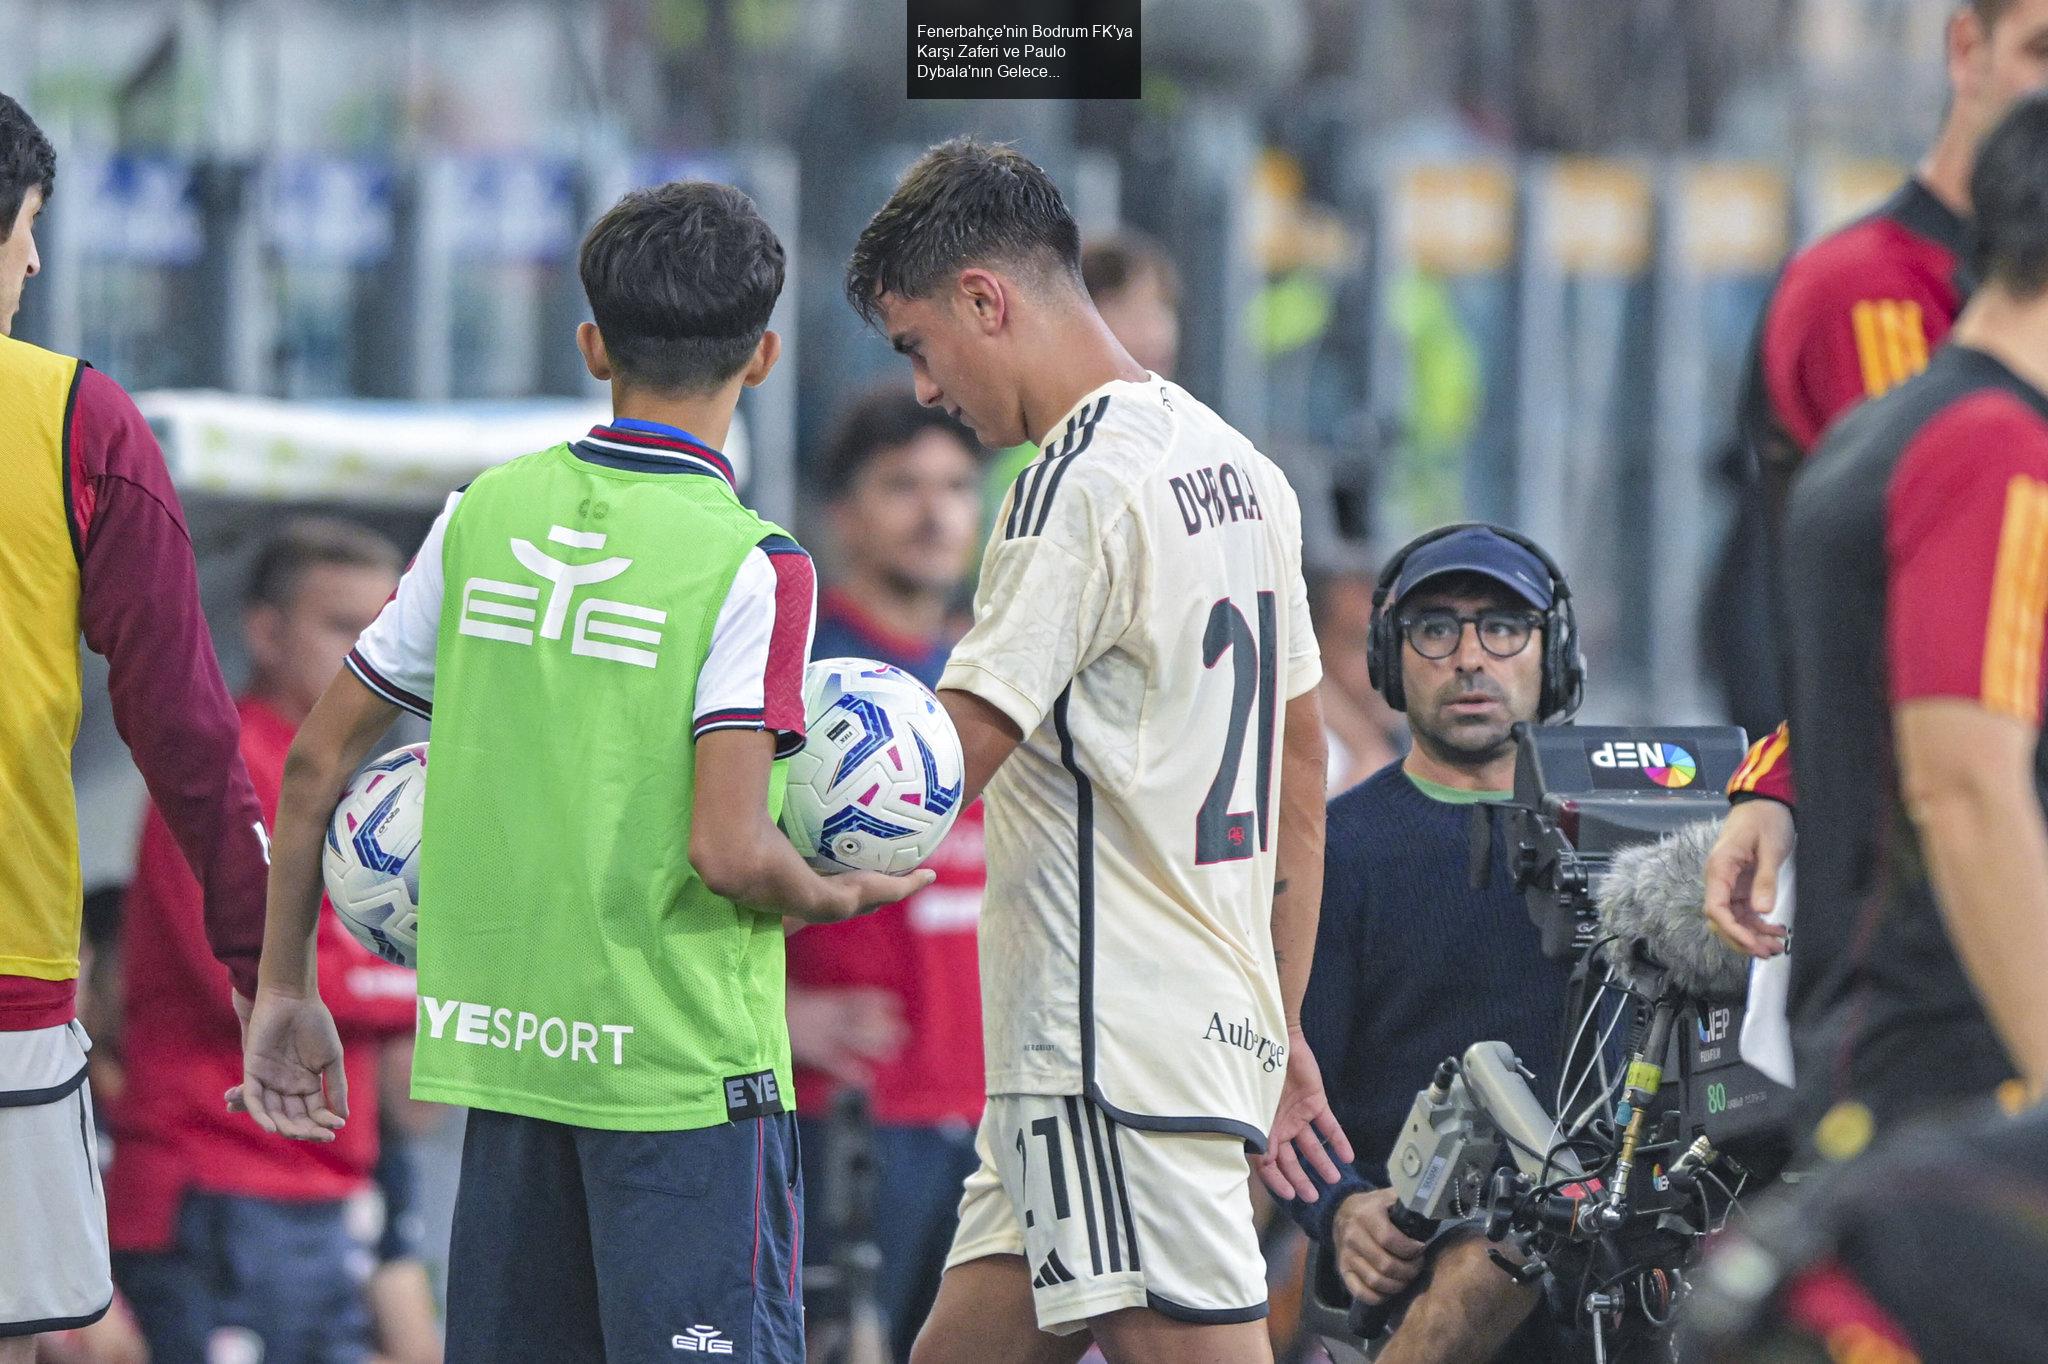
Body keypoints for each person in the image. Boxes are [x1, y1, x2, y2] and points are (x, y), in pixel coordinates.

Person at [237, 181, 930, 1364]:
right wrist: (844, 889)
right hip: (681, 1088)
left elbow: (315, 761)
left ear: (592, 345)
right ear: (762, 357)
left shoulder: (483, 514)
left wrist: (283, 984)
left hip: (507, 1068)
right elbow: (729, 845)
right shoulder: (753, 564)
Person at [845, 137, 1348, 1364]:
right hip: (1137, 1054)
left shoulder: (1068, 482)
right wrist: (1271, 1021)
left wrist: (751, 846)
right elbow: (1300, 777)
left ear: (983, 300)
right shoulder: (1240, 468)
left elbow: (950, 751)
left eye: (917, 345)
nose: (923, 389)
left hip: (1107, 1060)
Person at [0, 93, 270, 1360]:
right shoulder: (72, 418)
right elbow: (182, 723)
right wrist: (263, 950)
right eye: (32, 225)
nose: (37, 259)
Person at [1707, 0, 2048, 956]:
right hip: (1920, 892)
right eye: (2041, 51)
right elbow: (1889, 626)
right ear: (1965, 47)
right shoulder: (1874, 289)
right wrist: (1782, 777)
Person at [1760, 92, 2048, 1160]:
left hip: (1879, 1050)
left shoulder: (1876, 434)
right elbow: (1962, 786)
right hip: (1960, 1075)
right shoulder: (1990, 447)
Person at [106, 520, 421, 1364]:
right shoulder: (225, 770)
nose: (372, 651)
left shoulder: (372, 781)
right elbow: (254, 980)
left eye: (385, 626)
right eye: (343, 626)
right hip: (216, 1184)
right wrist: (445, 997)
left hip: (322, 1185)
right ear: (266, 631)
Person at [1279, 525, 1585, 1364]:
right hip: (1425, 1264)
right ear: (1389, 657)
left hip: (1615, 1249)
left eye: (1504, 628)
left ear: (1551, 658)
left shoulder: (1628, 843)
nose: (1470, 658)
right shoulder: (1335, 851)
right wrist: (1341, 1210)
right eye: (1436, 628)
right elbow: (1284, 1084)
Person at [785, 386, 991, 1359]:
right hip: (845, 1118)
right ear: (842, 512)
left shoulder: (990, 673)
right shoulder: (799, 678)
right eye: (900, 484)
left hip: (988, 1117)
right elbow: (678, 871)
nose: (934, 509)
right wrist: (776, 1014)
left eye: (955, 484)